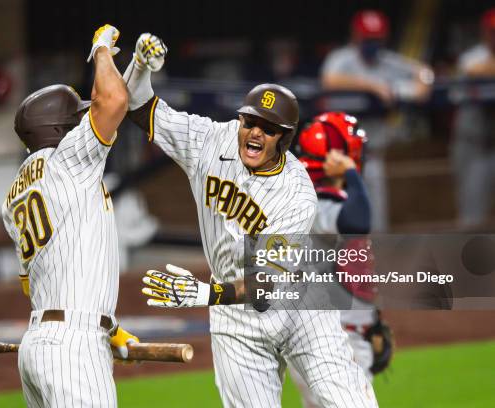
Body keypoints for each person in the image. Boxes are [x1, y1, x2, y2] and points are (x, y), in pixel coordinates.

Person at [127, 34, 377, 407]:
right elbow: (140, 107)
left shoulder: (297, 194)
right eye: (249, 121)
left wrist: (207, 294)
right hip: (235, 321)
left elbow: (267, 283)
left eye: (269, 127)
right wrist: (140, 66)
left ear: (285, 139)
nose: (255, 132)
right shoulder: (210, 141)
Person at [1, 24, 138, 407]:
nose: (86, 121)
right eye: (77, 118)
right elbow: (111, 100)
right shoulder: (69, 161)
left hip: (38, 345)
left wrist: (108, 328)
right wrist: (100, 49)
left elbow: (32, 285)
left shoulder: (14, 194)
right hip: (73, 348)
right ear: (62, 130)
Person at [289, 112, 392, 407]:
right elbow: (358, 220)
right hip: (332, 347)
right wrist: (351, 173)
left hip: (326, 341)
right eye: (352, 155)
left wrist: (368, 323)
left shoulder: (304, 195)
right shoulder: (319, 199)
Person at [321, 9, 434, 231]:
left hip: (373, 158)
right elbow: (329, 81)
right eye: (367, 38)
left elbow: (425, 74)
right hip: (339, 161)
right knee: (340, 230)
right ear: (355, 35)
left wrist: (412, 87)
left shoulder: (388, 61)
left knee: (377, 229)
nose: (372, 43)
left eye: (376, 38)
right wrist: (372, 85)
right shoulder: (341, 59)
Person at [452, 8, 495, 227]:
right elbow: (473, 70)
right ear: (485, 32)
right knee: (471, 217)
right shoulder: (471, 58)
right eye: (493, 31)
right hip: (474, 145)